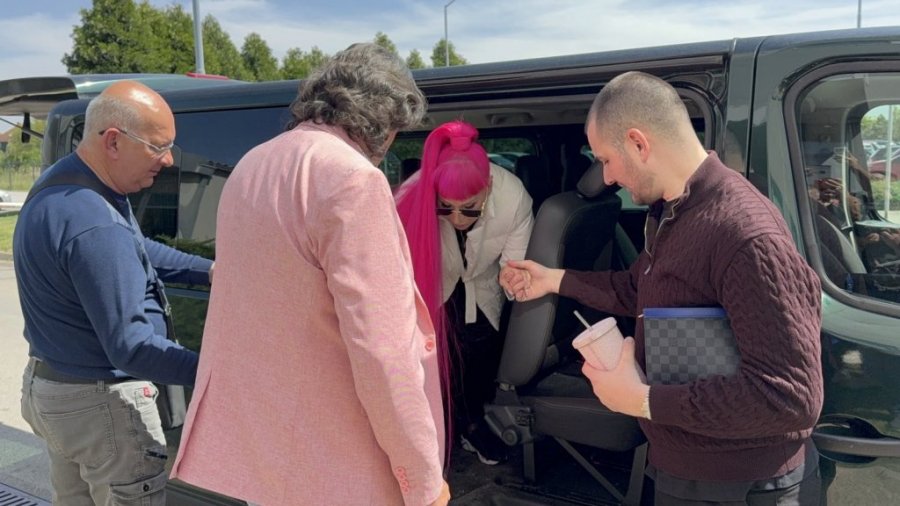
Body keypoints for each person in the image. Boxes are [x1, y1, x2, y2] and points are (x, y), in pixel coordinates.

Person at [501, 71, 824, 505]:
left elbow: (789, 398)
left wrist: (643, 401)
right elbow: (637, 289)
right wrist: (552, 279)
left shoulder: (744, 234)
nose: (607, 178)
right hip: (687, 467)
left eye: (606, 159)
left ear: (638, 143)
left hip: (741, 487)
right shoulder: (671, 212)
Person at [169, 43, 450, 506]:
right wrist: (422, 480)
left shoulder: (252, 164)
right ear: (383, 121)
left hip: (265, 450)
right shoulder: (352, 179)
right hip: (337, 463)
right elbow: (383, 352)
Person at [14, 80, 213, 505]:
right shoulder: (95, 223)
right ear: (114, 141)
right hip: (99, 406)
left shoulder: (64, 185)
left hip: (51, 389)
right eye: (158, 146)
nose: (169, 159)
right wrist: (215, 373)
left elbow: (134, 247)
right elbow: (132, 348)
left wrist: (210, 271)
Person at [395, 120, 534, 466]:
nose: (457, 219)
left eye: (470, 208)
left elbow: (514, 264)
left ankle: (467, 423)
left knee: (480, 353)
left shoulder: (514, 197)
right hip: (430, 288)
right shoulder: (411, 195)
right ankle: (445, 430)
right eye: (445, 207)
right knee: (433, 364)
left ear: (488, 187)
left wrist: (513, 278)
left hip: (482, 284)